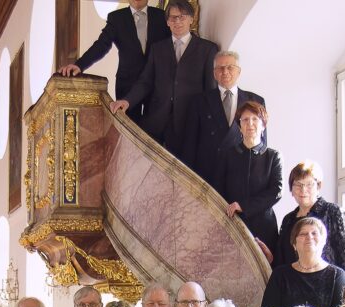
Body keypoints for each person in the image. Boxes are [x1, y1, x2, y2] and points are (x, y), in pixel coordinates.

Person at [110, 0, 218, 155]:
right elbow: (145, 82)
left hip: (190, 123)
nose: (177, 21)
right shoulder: (157, 48)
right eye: (173, 18)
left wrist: (209, 126)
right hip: (156, 123)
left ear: (191, 19)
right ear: (167, 22)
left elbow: (211, 90)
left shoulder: (207, 49)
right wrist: (127, 100)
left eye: (182, 17)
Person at [59, 0, 169, 122]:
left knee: (154, 131)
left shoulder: (162, 16)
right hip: (127, 84)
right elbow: (101, 45)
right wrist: (79, 65)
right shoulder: (116, 18)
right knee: (128, 130)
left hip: (156, 84)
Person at [182, 50, 265, 188]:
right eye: (220, 68)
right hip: (207, 174)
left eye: (230, 67)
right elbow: (190, 143)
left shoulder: (256, 100)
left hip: (242, 173)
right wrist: (188, 178)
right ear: (214, 73)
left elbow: (262, 144)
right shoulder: (199, 101)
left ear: (239, 72)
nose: (225, 72)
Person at [219, 100, 282, 260]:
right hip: (233, 224)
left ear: (263, 125)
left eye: (255, 119)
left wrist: (244, 206)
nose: (250, 124)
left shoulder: (273, 157)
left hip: (264, 226)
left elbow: (276, 192)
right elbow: (220, 188)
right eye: (245, 120)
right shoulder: (228, 155)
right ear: (239, 126)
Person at [275, 161, 345, 276]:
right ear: (291, 189)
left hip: (326, 285)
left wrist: (342, 289)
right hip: (293, 286)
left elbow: (344, 260)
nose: (303, 190)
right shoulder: (288, 219)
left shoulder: (332, 212)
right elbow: (281, 260)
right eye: (298, 184)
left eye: (309, 184)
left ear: (318, 186)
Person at [262, 217, 345, 307]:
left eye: (314, 233)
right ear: (294, 244)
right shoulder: (280, 274)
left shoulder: (338, 276)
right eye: (303, 234)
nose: (309, 236)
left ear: (323, 241)